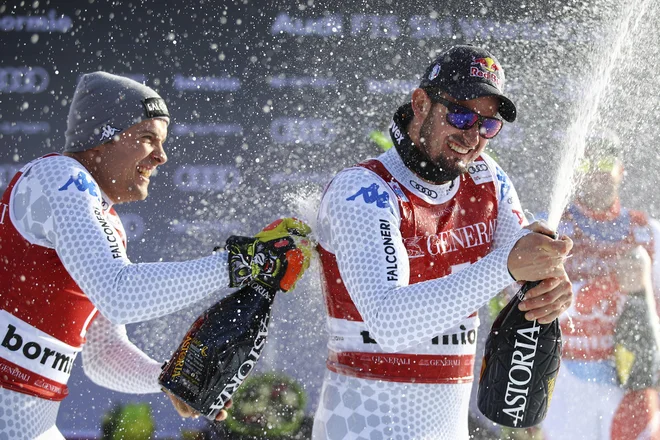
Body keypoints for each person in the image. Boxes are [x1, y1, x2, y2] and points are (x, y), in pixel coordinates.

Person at [0, 72, 311, 439]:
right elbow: (121, 295)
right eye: (148, 139)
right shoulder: (60, 175)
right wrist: (241, 262)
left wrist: (166, 379)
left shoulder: (104, 219)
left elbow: (104, 355)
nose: (161, 157)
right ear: (103, 137)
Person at [312, 44, 573, 440]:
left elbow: (518, 277)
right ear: (420, 103)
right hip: (360, 429)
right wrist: (507, 265)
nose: (472, 136)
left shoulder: (487, 178)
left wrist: (547, 291)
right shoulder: (363, 189)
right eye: (461, 115)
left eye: (487, 125)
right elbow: (389, 323)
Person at [542, 134, 660, 440]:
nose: (596, 171)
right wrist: (610, 284)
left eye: (606, 162)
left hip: (628, 380)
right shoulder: (552, 227)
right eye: (586, 162)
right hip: (565, 377)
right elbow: (536, 307)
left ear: (621, 169)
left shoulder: (646, 231)